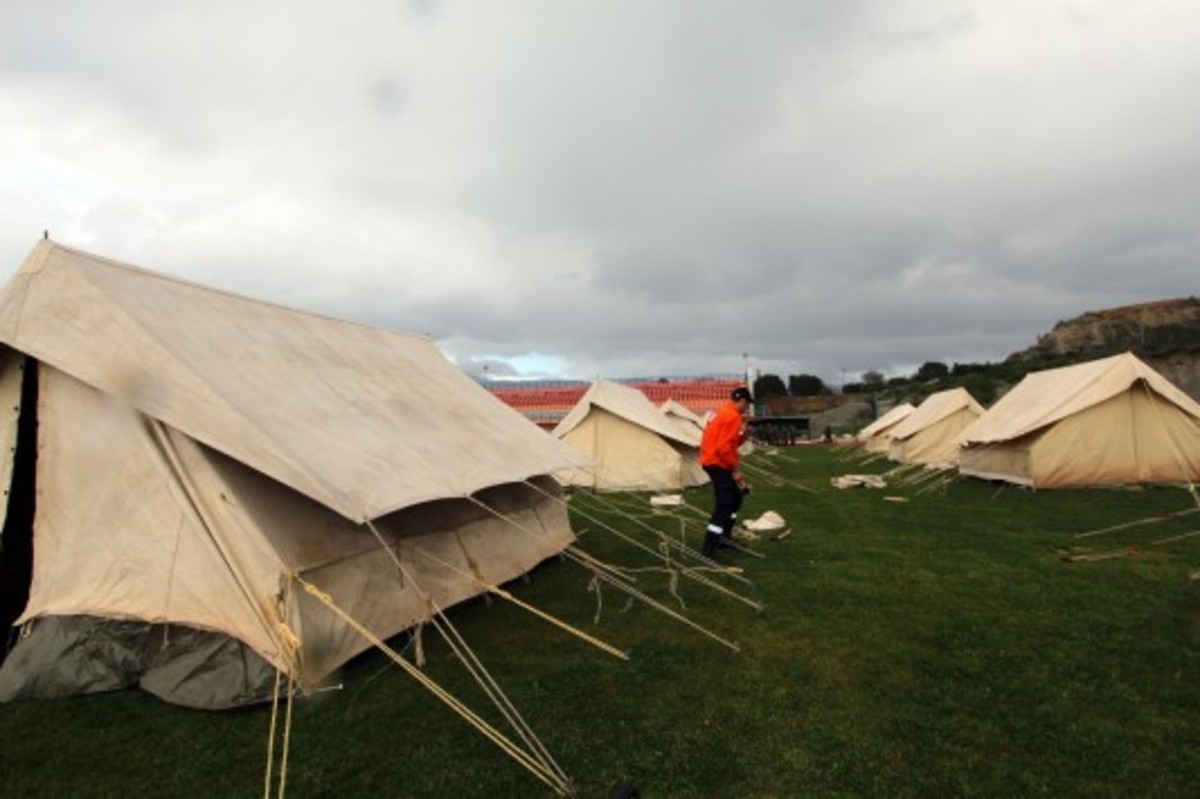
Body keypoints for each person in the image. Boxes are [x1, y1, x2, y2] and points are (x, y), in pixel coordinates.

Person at [700, 386, 752, 557]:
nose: (747, 408)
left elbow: (729, 443)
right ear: (742, 401)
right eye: (747, 404)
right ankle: (710, 546)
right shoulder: (733, 417)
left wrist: (744, 436)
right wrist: (735, 470)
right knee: (724, 504)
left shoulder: (725, 413)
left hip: (715, 461)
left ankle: (724, 537)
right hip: (716, 462)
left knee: (735, 499)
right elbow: (723, 449)